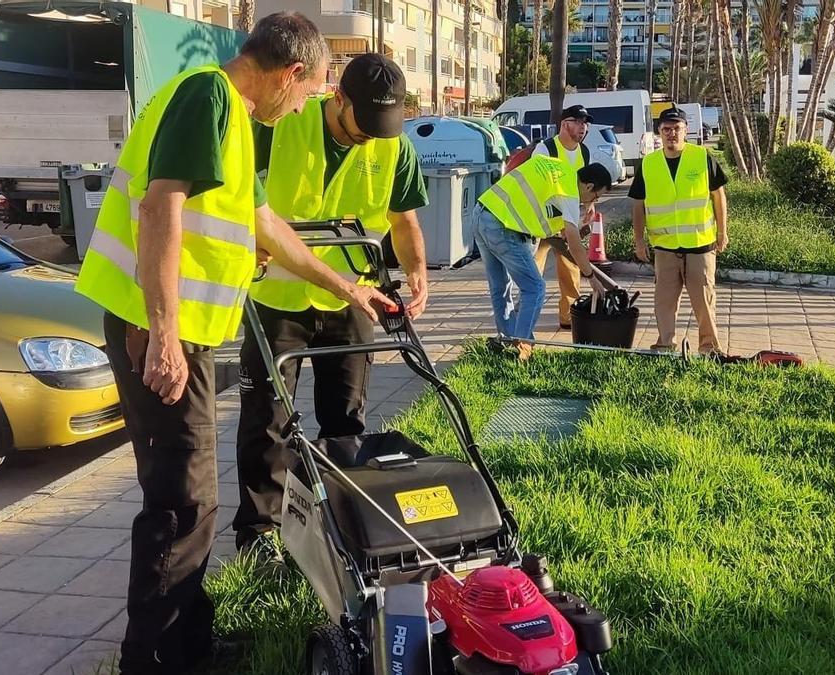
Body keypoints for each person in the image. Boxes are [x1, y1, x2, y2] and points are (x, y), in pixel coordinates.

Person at [73, 14, 393, 675]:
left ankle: (188, 643)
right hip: (156, 332)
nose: (304, 105)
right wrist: (162, 332)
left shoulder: (236, 121)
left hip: (174, 331)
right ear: (290, 74)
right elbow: (162, 207)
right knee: (185, 502)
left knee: (184, 496)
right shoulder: (208, 95)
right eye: (307, 93)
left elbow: (265, 225)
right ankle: (156, 659)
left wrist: (347, 285)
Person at [233, 53, 429, 552]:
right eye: (363, 123)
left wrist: (417, 271)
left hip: (353, 300)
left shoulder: (394, 147)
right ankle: (260, 532)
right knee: (267, 421)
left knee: (346, 419)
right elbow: (233, 197)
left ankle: (342, 524)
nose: (370, 135)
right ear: (337, 98)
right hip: (277, 299)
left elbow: (402, 218)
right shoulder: (279, 125)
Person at [474, 156, 614, 360]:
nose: (592, 203)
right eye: (595, 197)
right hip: (504, 228)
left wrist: (566, 225)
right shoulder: (569, 191)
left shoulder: (560, 170)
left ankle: (506, 342)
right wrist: (590, 276)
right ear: (589, 186)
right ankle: (522, 347)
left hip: (482, 214)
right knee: (535, 288)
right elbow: (574, 243)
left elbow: (542, 204)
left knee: (500, 287)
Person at [630, 107, 729, 354]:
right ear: (659, 133)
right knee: (664, 301)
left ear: (686, 131)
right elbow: (638, 204)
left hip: (700, 244)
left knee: (704, 301)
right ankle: (665, 344)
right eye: (666, 129)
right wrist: (639, 240)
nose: (672, 134)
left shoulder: (701, 157)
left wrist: (722, 232)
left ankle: (710, 348)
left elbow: (718, 196)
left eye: (677, 129)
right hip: (665, 246)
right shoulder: (648, 164)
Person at [531, 105, 597, 330]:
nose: (583, 127)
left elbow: (584, 184)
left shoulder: (584, 152)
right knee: (533, 268)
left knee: (570, 266)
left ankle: (568, 316)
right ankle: (526, 313)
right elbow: (534, 186)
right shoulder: (545, 149)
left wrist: (589, 203)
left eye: (585, 123)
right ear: (564, 124)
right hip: (540, 222)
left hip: (567, 220)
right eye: (578, 122)